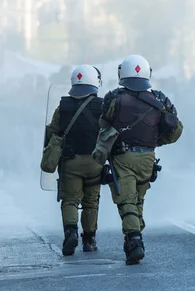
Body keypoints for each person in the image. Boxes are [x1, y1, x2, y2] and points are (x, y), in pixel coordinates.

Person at [95, 55, 183, 265]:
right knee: (138, 200)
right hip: (148, 157)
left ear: (122, 73)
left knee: (126, 202)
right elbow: (176, 128)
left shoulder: (113, 97)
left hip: (123, 157)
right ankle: (132, 238)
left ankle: (134, 240)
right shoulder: (161, 99)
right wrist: (156, 143)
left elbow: (102, 123)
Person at [43, 65, 104, 255]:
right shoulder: (102, 106)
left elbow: (52, 132)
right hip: (95, 162)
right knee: (91, 201)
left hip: (70, 162)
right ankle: (89, 240)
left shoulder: (62, 107)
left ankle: (70, 233)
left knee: (69, 200)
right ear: (95, 81)